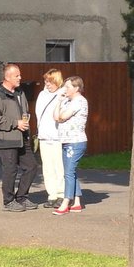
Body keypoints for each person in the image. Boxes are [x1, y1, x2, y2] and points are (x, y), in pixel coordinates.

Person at [0, 62, 37, 210]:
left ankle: (21, 197)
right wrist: (16, 123)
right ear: (7, 77)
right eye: (17, 75)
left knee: (32, 167)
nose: (20, 78)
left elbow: (24, 112)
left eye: (19, 75)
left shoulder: (20, 93)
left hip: (22, 138)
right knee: (10, 171)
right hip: (7, 139)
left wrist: (25, 127)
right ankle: (8, 201)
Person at [53, 76, 88, 214]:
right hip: (66, 141)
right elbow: (56, 117)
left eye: (68, 87)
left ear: (76, 88)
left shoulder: (79, 101)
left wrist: (60, 114)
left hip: (75, 141)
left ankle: (66, 201)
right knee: (71, 172)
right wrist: (59, 101)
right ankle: (77, 201)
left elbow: (62, 117)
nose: (64, 89)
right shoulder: (68, 101)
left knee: (68, 172)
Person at [35, 68, 66, 210]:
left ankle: (61, 194)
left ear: (57, 82)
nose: (47, 84)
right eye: (46, 81)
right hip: (44, 136)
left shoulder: (63, 94)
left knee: (59, 167)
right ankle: (52, 195)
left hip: (57, 137)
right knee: (47, 168)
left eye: (50, 81)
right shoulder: (42, 94)